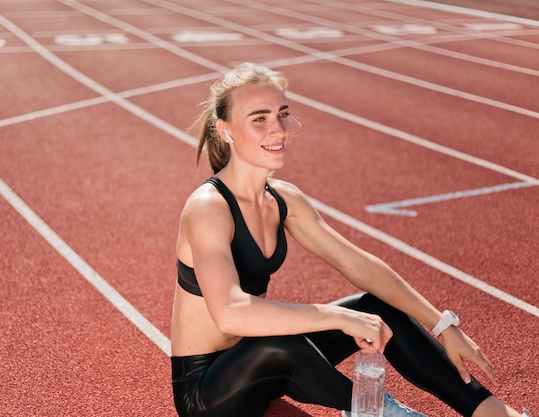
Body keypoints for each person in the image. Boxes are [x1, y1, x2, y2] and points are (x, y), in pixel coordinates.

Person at [170, 62, 531, 417]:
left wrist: (444, 326)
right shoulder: (208, 208)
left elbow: (358, 265)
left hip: (264, 367)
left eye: (283, 114)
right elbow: (231, 312)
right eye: (259, 119)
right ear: (226, 129)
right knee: (283, 338)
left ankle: (494, 414)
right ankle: (379, 411)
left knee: (376, 307)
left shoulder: (283, 199)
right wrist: (339, 318)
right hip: (207, 393)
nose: (278, 129)